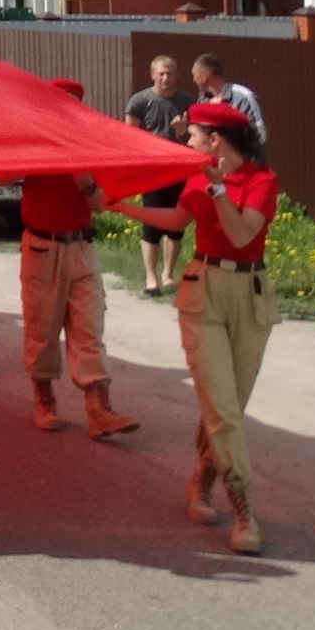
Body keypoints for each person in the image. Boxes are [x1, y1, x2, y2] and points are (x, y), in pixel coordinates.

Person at [111, 100, 279, 555]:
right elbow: (177, 221)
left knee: (231, 407)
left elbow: (244, 234)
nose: (187, 140)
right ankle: (243, 508)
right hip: (203, 290)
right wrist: (123, 207)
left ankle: (201, 479)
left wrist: (219, 190)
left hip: (250, 295)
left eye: (193, 134)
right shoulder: (196, 178)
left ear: (216, 141)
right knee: (222, 407)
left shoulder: (262, 181)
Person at [20, 79, 137, 441]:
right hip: (42, 247)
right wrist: (38, 156)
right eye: (58, 104)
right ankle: (45, 400)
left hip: (82, 247)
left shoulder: (89, 146)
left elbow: (100, 204)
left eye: (71, 106)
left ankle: (98, 409)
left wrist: (85, 181)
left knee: (89, 329)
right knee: (42, 328)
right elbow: (3, 175)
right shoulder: (33, 142)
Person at [125, 55, 191, 295]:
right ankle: (151, 278)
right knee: (151, 225)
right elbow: (130, 136)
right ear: (152, 74)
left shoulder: (186, 101)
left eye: (170, 73)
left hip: (179, 170)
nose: (165, 78)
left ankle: (168, 274)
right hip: (152, 171)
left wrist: (182, 132)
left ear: (176, 75)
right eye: (161, 73)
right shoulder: (140, 100)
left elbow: (195, 138)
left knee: (176, 225)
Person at [188, 54, 266, 150]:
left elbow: (259, 134)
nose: (193, 79)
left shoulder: (242, 97)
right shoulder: (203, 102)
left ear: (205, 75)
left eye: (194, 74)